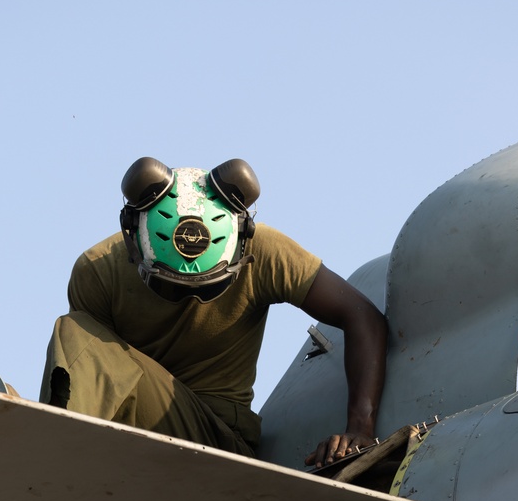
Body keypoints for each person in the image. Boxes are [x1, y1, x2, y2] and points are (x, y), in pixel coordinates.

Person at [41, 159, 388, 468]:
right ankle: (48, 444)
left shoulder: (263, 250)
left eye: (208, 287)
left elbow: (360, 314)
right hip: (133, 425)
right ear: (135, 247)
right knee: (76, 333)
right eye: (172, 287)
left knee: (75, 336)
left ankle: (51, 457)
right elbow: (89, 378)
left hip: (220, 439)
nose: (192, 299)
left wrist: (360, 429)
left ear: (240, 243)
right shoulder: (98, 272)